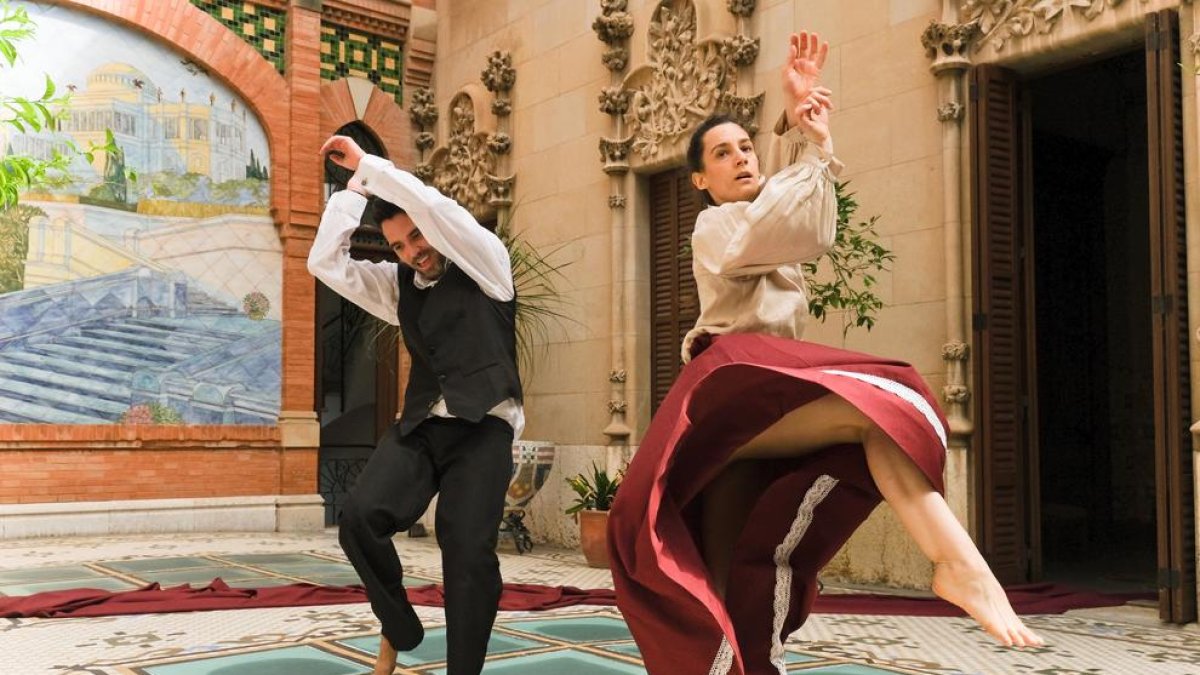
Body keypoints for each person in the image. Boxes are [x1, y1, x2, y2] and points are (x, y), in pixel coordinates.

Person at [607, 32, 1043, 675]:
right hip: (731, 400)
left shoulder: (760, 216)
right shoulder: (716, 226)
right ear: (700, 179)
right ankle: (957, 564)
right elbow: (795, 224)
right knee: (879, 404)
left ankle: (950, 565)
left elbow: (788, 210)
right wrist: (812, 142)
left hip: (766, 411)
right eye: (722, 154)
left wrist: (796, 120)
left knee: (736, 597)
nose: (741, 159)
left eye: (747, 147)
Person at [308, 135, 522, 675]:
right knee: (358, 517)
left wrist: (370, 166)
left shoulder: (486, 263)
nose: (412, 252)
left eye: (416, 238)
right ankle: (400, 622)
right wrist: (352, 193)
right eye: (399, 246)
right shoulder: (401, 285)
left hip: (483, 430)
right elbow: (324, 263)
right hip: (423, 427)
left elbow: (435, 208)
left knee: (467, 552)